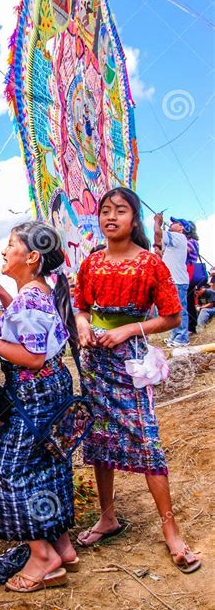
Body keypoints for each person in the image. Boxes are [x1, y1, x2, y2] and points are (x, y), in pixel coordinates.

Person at [75, 188, 201, 573]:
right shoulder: (91, 263)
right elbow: (80, 305)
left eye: (121, 211)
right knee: (100, 439)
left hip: (130, 361)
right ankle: (108, 516)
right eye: (105, 211)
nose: (111, 217)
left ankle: (171, 529)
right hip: (95, 361)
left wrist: (130, 329)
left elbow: (172, 317)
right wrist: (82, 324)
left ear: (135, 220)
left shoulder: (150, 264)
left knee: (146, 439)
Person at [0, 222, 79, 593]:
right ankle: (62, 544)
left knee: (9, 472)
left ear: (31, 257)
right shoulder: (37, 293)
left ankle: (43, 556)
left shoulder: (29, 300)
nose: (3, 251)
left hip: (34, 394)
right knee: (47, 464)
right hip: (52, 388)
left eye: (10, 245)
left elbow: (32, 357)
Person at [153, 214, 190, 347]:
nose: (171, 224)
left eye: (174, 223)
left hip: (178, 280)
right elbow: (158, 238)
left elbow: (157, 232)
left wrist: (157, 221)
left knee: (180, 310)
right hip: (174, 280)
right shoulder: (174, 241)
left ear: (181, 227)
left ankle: (182, 338)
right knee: (174, 310)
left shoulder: (179, 237)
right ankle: (175, 336)